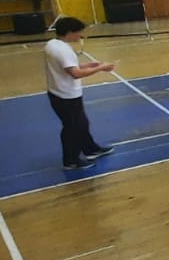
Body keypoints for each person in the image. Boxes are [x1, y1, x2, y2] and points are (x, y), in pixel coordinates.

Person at [43, 17, 116, 170]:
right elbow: (75, 73)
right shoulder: (63, 50)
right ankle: (71, 161)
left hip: (58, 93)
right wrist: (101, 68)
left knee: (81, 124)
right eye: (79, 32)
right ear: (69, 32)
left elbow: (68, 66)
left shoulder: (53, 44)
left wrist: (89, 64)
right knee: (73, 128)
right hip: (66, 96)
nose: (80, 36)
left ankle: (90, 149)